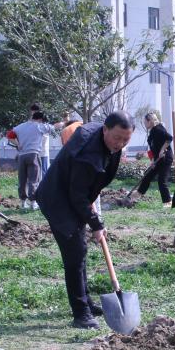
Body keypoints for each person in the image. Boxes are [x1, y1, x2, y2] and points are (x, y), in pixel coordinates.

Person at [36, 112, 134, 328]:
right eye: (117, 138)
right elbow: (77, 196)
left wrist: (91, 209)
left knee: (80, 250)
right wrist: (96, 224)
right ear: (105, 130)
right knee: (74, 253)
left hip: (74, 193)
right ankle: (81, 313)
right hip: (57, 199)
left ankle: (86, 302)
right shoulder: (88, 156)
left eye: (126, 139)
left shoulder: (106, 140)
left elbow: (87, 187)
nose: (120, 144)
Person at [7, 111, 57, 209]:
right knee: (34, 179)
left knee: (22, 179)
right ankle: (33, 202)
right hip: (33, 154)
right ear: (40, 119)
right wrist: (64, 122)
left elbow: (9, 135)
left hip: (22, 156)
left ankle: (23, 202)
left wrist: (18, 144)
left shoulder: (20, 127)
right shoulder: (39, 126)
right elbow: (54, 127)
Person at [132, 112, 174, 206]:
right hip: (158, 159)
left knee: (162, 180)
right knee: (148, 175)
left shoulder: (159, 129)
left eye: (145, 122)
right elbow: (152, 149)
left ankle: (168, 202)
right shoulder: (152, 132)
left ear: (150, 121)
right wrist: (152, 161)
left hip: (165, 157)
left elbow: (169, 138)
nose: (144, 124)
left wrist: (162, 150)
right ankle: (137, 195)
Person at [30, 103, 54, 175]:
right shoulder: (32, 122)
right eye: (32, 111)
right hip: (36, 152)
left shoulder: (42, 122)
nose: (33, 113)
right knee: (37, 172)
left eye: (34, 111)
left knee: (43, 172)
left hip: (42, 152)